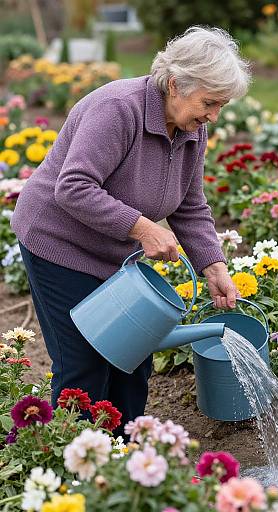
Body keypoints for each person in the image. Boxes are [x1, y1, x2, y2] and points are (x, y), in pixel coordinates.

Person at [11, 26, 250, 437]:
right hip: (58, 242)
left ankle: (124, 459)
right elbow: (73, 187)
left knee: (135, 356)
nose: (213, 116)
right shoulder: (118, 109)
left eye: (220, 106)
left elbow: (190, 205)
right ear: (175, 84)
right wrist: (141, 228)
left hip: (113, 253)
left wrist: (214, 266)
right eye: (209, 103)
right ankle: (75, 465)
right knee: (84, 360)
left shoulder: (192, 128)